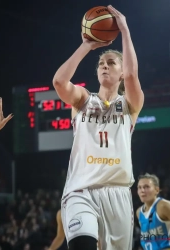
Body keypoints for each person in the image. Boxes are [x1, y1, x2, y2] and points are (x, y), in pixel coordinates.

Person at [52, 5, 144, 250]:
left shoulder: (129, 106)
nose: (104, 65)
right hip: (80, 192)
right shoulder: (83, 99)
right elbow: (60, 82)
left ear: (121, 73)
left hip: (119, 195)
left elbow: (133, 76)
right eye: (101, 63)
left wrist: (124, 30)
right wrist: (87, 45)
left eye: (111, 63)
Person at [136, 173, 170, 250]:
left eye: (146, 187)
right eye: (139, 187)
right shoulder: (138, 212)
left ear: (157, 190)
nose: (142, 190)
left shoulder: (164, 206)